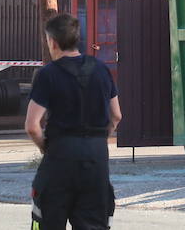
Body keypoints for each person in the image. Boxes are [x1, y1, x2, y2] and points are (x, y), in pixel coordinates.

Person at [26, 12, 122, 229]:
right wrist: (98, 139)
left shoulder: (47, 75)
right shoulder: (101, 70)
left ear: (52, 41)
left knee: (47, 221)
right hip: (96, 159)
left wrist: (46, 148)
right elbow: (116, 115)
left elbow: (32, 126)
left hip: (60, 157)